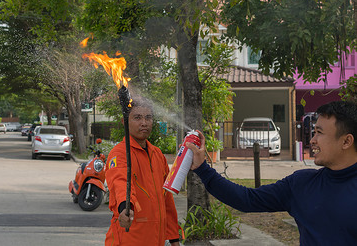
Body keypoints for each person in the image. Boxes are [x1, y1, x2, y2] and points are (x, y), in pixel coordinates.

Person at [186, 101, 357, 245]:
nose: (312, 140)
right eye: (314, 132)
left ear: (346, 141)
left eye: (319, 133)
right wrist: (203, 168)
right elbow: (247, 199)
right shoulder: (302, 183)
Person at [104, 98, 181, 246]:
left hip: (155, 238)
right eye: (137, 117)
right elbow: (120, 182)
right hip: (129, 238)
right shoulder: (119, 153)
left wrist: (174, 238)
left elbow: (167, 200)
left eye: (148, 117)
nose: (144, 123)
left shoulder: (157, 154)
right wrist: (125, 207)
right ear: (124, 122)